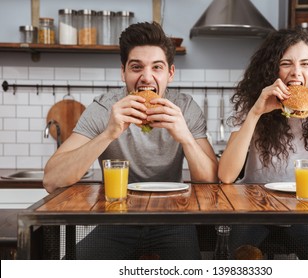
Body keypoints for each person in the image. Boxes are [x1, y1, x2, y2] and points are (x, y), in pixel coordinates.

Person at [43, 21, 218, 259]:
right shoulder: (105, 108)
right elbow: (52, 180)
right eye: (136, 67)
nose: (146, 78)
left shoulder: (185, 108)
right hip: (116, 219)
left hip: (173, 220)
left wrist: (185, 136)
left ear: (170, 73)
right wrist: (108, 133)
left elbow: (210, 182)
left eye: (157, 67)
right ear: (123, 72)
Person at [218, 28, 308, 259]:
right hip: (254, 208)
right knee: (227, 264)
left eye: (305, 64)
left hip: (304, 209)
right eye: (286, 63)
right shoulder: (253, 106)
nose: (296, 72)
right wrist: (255, 113)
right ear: (272, 68)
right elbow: (226, 175)